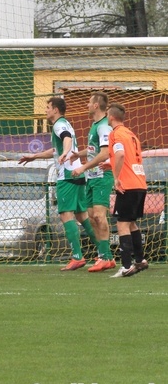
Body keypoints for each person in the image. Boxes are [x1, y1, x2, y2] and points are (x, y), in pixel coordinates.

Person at [18, 96, 95, 271]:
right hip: (77, 172)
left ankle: (77, 257)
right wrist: (35, 156)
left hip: (67, 175)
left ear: (55, 110)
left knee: (66, 215)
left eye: (47, 107)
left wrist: (65, 152)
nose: (45, 110)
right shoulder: (65, 123)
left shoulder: (59, 125)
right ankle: (105, 254)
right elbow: (56, 149)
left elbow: (66, 140)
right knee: (82, 216)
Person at [70, 92, 116, 272]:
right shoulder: (95, 125)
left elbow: (105, 154)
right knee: (91, 217)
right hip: (92, 177)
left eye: (89, 102)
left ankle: (104, 257)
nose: (87, 105)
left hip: (102, 177)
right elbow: (94, 150)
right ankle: (106, 256)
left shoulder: (104, 126)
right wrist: (78, 154)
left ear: (96, 105)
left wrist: (83, 167)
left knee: (99, 215)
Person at [106, 103, 149, 278]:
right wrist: (110, 164)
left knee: (122, 223)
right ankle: (140, 260)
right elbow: (127, 157)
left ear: (111, 117)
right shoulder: (131, 134)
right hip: (140, 183)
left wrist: (116, 178)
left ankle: (125, 266)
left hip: (128, 185)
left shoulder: (115, 134)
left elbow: (121, 155)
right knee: (131, 223)